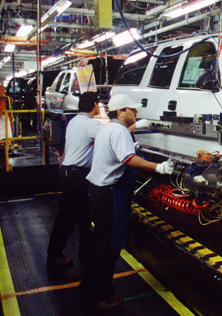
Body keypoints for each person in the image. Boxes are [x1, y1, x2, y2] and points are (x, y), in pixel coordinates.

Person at [79, 94, 175, 312]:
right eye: (133, 109)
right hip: (109, 197)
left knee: (102, 245)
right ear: (121, 111)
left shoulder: (109, 129)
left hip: (99, 193)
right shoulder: (120, 131)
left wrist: (133, 136)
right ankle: (97, 296)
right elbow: (128, 160)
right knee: (108, 248)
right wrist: (158, 167)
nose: (137, 112)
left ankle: (89, 289)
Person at [46, 92, 104, 270]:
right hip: (76, 176)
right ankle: (54, 255)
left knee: (85, 215)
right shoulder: (91, 124)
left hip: (68, 173)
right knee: (67, 218)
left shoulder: (75, 121)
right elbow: (110, 134)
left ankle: (85, 250)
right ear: (95, 105)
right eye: (99, 104)